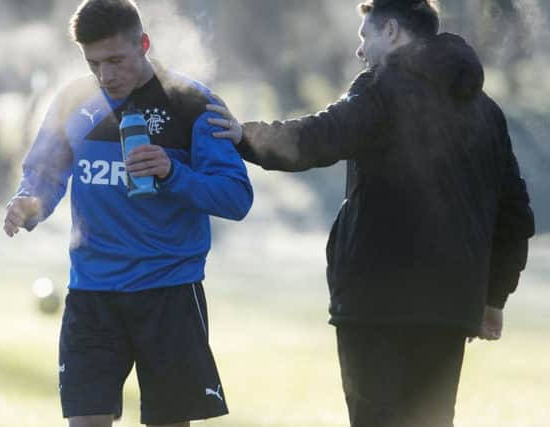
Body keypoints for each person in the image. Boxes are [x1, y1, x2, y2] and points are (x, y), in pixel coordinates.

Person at [207, 0, 535, 426]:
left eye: (365, 36)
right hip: (450, 310)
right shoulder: (486, 109)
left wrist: (243, 136)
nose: (360, 50)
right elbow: (515, 214)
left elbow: (318, 137)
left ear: (393, 31)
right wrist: (494, 297)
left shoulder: (384, 88)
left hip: (379, 303)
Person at [3, 1, 253, 426]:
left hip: (169, 292)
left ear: (144, 44)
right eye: (93, 63)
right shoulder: (72, 101)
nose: (105, 75)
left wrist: (173, 172)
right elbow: (43, 176)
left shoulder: (192, 104)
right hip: (92, 293)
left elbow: (235, 196)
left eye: (116, 60)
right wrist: (30, 203)